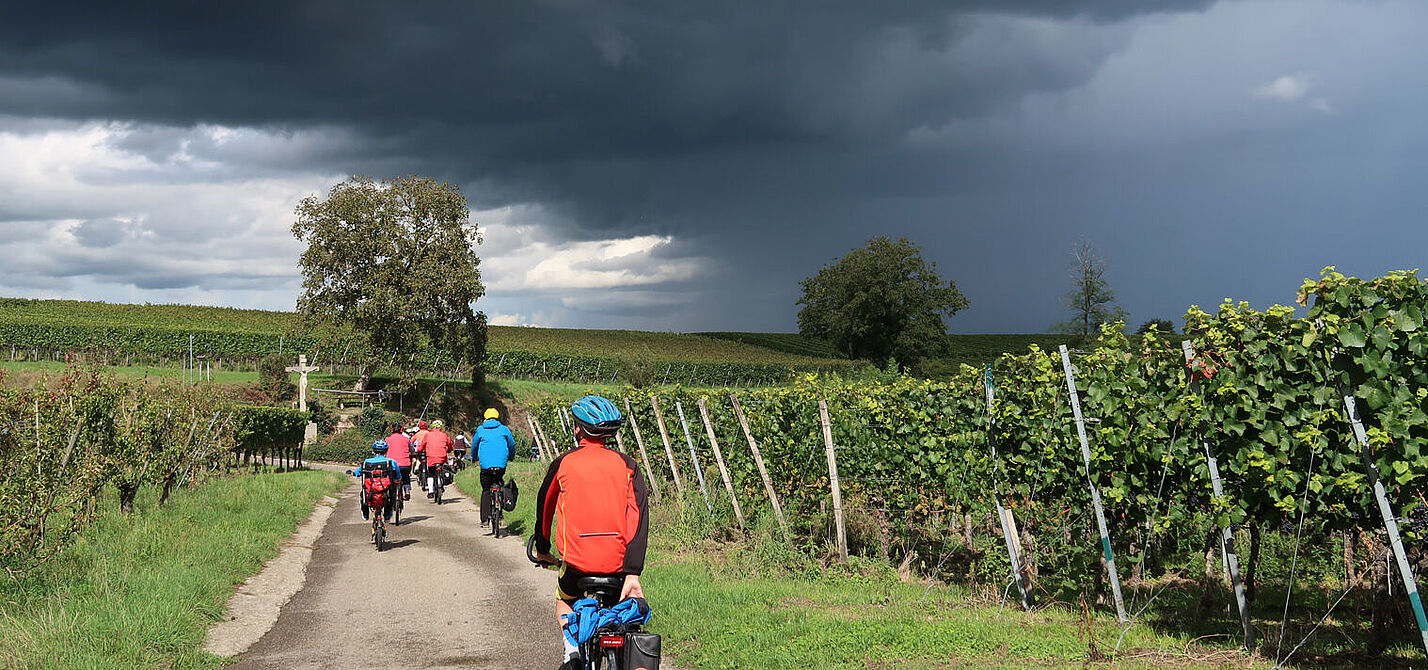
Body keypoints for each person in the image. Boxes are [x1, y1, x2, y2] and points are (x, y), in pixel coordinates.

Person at [532, 396, 649, 670]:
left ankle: (572, 651)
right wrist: (633, 571)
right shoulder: (628, 465)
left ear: (577, 429)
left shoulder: (564, 463)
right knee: (625, 617)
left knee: (564, 599)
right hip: (619, 567)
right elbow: (638, 518)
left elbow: (545, 507)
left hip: (576, 565)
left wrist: (543, 548)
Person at [472, 407, 516, 528]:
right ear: (497, 418)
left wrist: (474, 458)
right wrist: (511, 456)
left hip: (486, 467)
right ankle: (500, 510)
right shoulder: (504, 429)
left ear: (485, 418)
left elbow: (474, 446)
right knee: (499, 482)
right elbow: (512, 445)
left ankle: (484, 520)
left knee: (486, 490)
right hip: (501, 465)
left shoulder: (480, 430)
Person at [354, 439, 402, 526]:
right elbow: (398, 475)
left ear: (373, 450)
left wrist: (354, 473)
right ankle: (387, 516)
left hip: (370, 489)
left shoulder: (366, 462)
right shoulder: (391, 462)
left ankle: (365, 514)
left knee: (362, 495)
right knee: (391, 496)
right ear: (386, 450)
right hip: (385, 490)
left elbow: (357, 472)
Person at [419, 419, 453, 498]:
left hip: (431, 458)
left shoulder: (428, 435)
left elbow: (422, 446)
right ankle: (442, 482)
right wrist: (449, 449)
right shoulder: (444, 435)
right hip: (442, 457)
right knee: (443, 468)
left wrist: (419, 450)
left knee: (430, 473)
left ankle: (430, 491)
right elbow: (450, 444)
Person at [383, 423, 414, 500]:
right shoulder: (407, 439)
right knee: (406, 477)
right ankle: (407, 491)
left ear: (391, 430)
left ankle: (389, 492)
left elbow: (383, 451)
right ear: (401, 430)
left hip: (391, 465)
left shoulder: (387, 439)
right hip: (405, 465)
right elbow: (412, 450)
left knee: (390, 478)